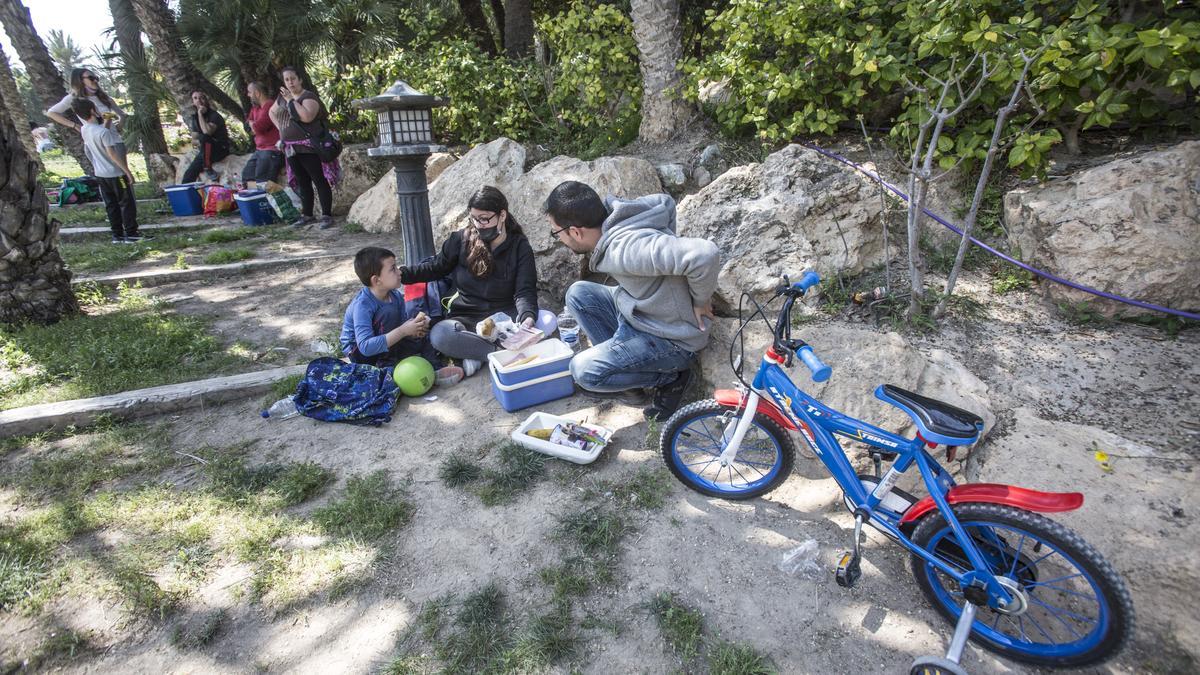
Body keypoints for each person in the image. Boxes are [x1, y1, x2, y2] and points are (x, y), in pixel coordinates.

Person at [546, 180, 720, 420]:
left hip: (671, 338)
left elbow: (704, 254)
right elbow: (666, 203)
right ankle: (631, 383)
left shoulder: (625, 250)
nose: (560, 240)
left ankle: (671, 377)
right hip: (642, 312)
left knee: (583, 371)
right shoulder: (621, 215)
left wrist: (701, 300)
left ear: (575, 231)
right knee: (578, 294)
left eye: (557, 233)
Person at [399, 186, 539, 376]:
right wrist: (402, 274)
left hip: (503, 319)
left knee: (546, 319)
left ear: (502, 215)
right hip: (467, 318)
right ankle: (500, 355)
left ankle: (474, 352)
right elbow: (436, 268)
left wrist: (527, 318)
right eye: (474, 218)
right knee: (440, 334)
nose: (479, 224)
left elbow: (525, 291)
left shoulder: (520, 247)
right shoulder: (460, 240)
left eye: (485, 219)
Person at [340, 246, 464, 385]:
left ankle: (434, 369)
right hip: (361, 353)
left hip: (388, 342)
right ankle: (388, 370)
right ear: (376, 280)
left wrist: (414, 330)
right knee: (386, 315)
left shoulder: (395, 296)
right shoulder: (363, 305)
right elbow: (365, 346)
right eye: (393, 269)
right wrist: (403, 331)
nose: (399, 272)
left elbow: (401, 325)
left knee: (426, 337)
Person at [270, 66, 339, 229]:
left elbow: (307, 117)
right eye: (286, 80)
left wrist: (290, 101)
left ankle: (326, 215)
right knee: (302, 181)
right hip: (290, 148)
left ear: (300, 79)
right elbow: (272, 113)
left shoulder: (308, 96)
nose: (290, 82)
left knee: (318, 180)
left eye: (293, 79)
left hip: (308, 147)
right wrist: (281, 129)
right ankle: (307, 215)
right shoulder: (280, 98)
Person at [71, 98, 146, 244]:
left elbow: (97, 138)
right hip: (115, 173)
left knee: (111, 205)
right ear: (93, 111)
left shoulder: (85, 130)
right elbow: (112, 154)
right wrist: (127, 172)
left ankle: (117, 235)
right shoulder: (103, 133)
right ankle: (131, 233)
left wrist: (107, 122)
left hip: (101, 175)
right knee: (126, 203)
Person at [44, 68, 125, 136]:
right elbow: (51, 113)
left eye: (96, 78)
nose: (95, 80)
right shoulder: (74, 98)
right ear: (80, 80)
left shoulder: (103, 97)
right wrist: (74, 125)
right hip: (95, 140)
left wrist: (120, 125)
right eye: (91, 78)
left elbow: (122, 114)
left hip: (114, 139)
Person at [181, 91, 231, 183]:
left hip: (220, 150)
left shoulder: (214, 115)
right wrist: (200, 140)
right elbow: (194, 138)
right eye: (195, 98)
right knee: (188, 176)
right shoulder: (194, 118)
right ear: (193, 102)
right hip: (205, 152)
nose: (199, 101)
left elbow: (207, 132)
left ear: (206, 100)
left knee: (205, 137)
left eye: (201, 98)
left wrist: (200, 114)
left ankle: (208, 167)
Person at [241, 81, 283, 187]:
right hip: (260, 150)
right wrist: (253, 125)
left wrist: (253, 125)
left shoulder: (269, 105)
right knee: (247, 177)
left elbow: (258, 128)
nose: (248, 95)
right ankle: (256, 200)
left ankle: (267, 201)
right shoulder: (256, 108)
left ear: (257, 93)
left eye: (250, 92)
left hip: (272, 150)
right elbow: (248, 127)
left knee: (263, 181)